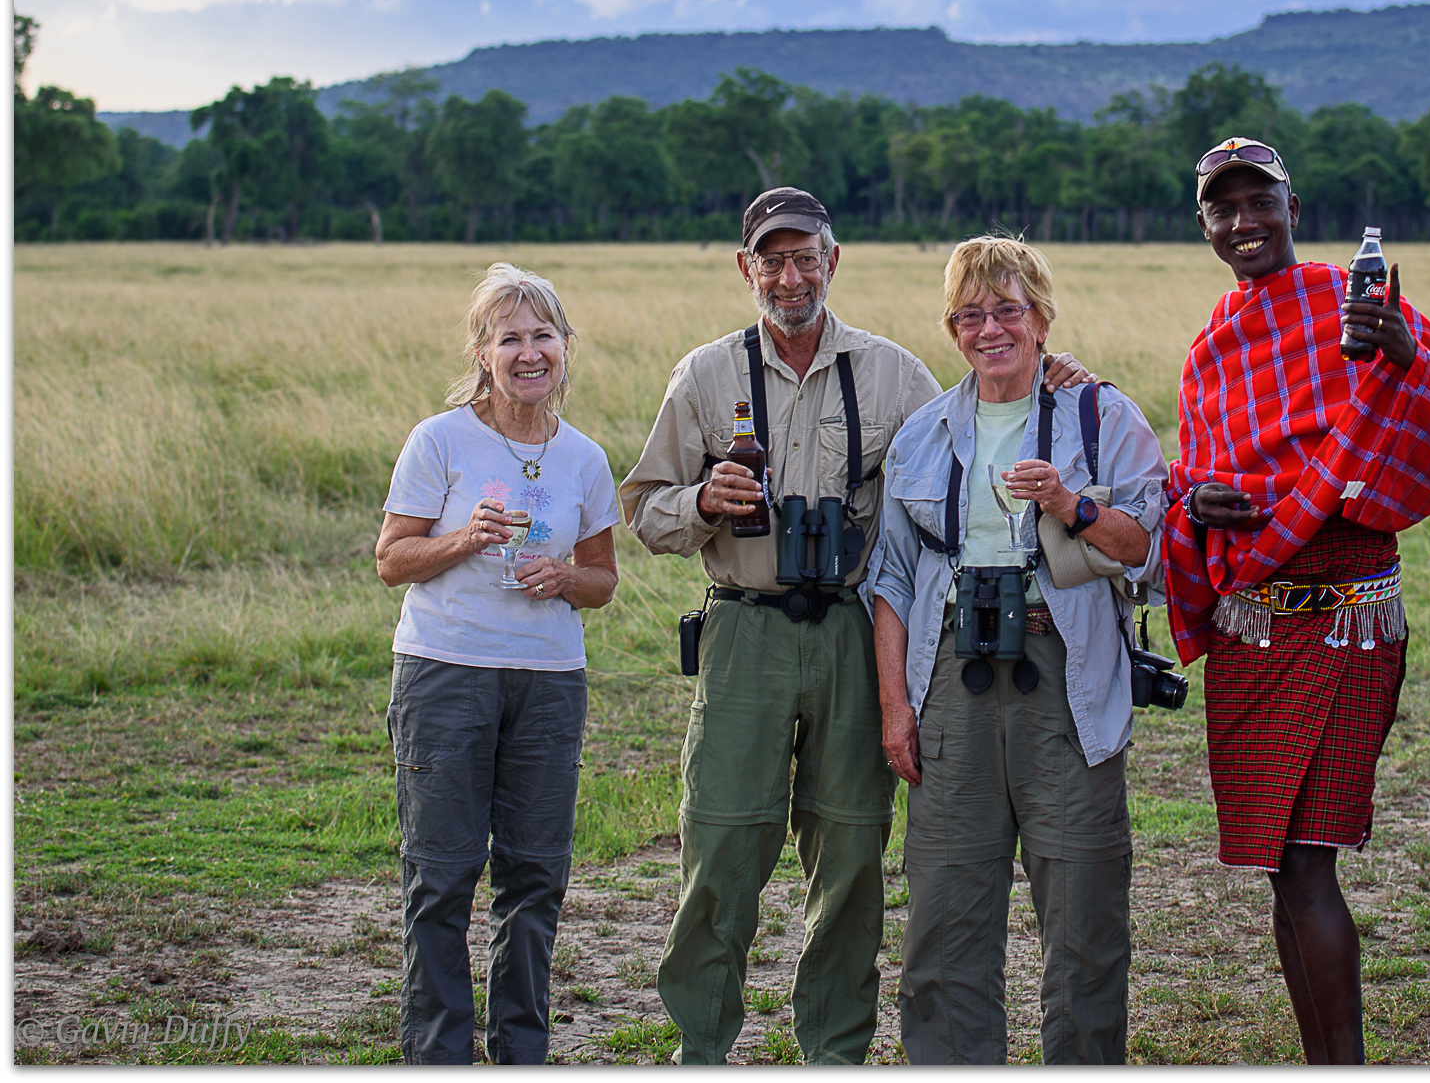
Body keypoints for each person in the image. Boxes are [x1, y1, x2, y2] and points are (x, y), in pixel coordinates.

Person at [619, 192, 1094, 1065]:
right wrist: (701, 502)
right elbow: (644, 511)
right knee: (721, 843)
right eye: (772, 260)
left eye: (807, 258)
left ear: (833, 263)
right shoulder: (703, 376)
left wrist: (1049, 366)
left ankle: (833, 1052)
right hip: (743, 631)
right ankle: (700, 1048)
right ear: (745, 269)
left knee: (849, 856)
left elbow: (979, 405)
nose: (790, 277)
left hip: (852, 627)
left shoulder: (891, 374)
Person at [1165, 138, 1430, 1064]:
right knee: (1279, 860)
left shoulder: (1361, 307)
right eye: (1221, 210)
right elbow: (1196, 468)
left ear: (1293, 208)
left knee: (1307, 859)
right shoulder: (1211, 347)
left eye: (1257, 203)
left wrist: (1405, 359)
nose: (1242, 224)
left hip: (1348, 614)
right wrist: (1195, 500)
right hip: (1254, 627)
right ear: (1204, 226)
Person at [867, 235, 1165, 1065]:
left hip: (1064, 679)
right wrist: (896, 709)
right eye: (970, 315)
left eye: (1007, 310)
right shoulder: (924, 434)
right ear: (951, 328)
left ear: (1041, 319)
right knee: (945, 918)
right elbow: (889, 580)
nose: (989, 328)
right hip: (949, 682)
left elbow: (1146, 546)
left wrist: (1067, 505)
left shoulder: (1102, 417)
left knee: (1083, 913)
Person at [376, 262, 622, 1065]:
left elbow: (602, 580)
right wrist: (463, 540)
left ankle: (522, 1050)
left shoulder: (583, 457)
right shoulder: (440, 439)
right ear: (482, 352)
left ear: (564, 348)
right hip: (445, 672)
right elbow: (392, 560)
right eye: (509, 337)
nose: (528, 352)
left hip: (548, 683)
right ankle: (439, 1055)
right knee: (442, 875)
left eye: (542, 335)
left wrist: (564, 579)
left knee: (535, 875)